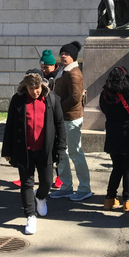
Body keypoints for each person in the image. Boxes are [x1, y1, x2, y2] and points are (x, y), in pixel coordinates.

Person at [2, 69, 67, 235]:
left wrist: (61, 148)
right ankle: (30, 215)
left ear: (42, 86)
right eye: (31, 88)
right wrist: (7, 150)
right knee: (26, 183)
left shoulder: (51, 99)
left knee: (47, 182)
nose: (35, 91)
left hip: (45, 149)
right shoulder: (18, 100)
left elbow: (60, 125)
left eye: (37, 87)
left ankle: (41, 197)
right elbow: (10, 125)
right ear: (26, 87)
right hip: (24, 149)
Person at [51, 41, 92, 201]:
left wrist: (57, 108)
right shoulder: (65, 70)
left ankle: (84, 188)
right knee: (63, 152)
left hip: (71, 119)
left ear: (73, 57)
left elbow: (75, 97)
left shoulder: (73, 72)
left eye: (66, 54)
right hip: (64, 118)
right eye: (62, 53)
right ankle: (66, 186)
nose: (62, 56)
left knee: (75, 152)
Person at [98, 66, 129, 212]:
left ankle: (109, 199)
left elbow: (104, 110)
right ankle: (127, 201)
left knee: (116, 168)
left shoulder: (104, 95)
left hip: (112, 136)